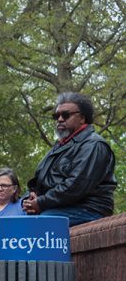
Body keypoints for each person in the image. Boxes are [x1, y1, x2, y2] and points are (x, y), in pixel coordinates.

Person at [22, 92, 116, 226]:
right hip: (55, 206)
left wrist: (41, 202)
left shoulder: (94, 145)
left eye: (66, 115)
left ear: (82, 118)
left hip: (87, 208)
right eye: (56, 116)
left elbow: (76, 186)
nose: (60, 119)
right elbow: (39, 180)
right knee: (12, 222)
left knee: (38, 224)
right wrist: (31, 197)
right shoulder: (60, 146)